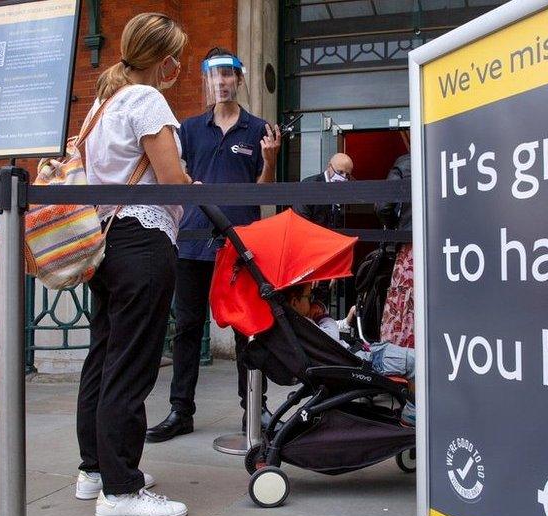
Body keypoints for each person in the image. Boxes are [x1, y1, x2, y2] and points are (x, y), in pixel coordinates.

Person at [74, 12, 190, 516]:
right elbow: (169, 179)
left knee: (103, 357)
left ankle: (96, 471)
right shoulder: (146, 99)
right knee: (132, 364)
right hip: (143, 240)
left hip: (105, 243)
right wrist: (193, 186)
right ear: (163, 60)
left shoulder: (101, 105)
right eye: (177, 57)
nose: (180, 66)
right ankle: (121, 494)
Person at [146, 47, 281, 442]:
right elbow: (172, 176)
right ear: (207, 81)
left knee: (247, 328)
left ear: (239, 80)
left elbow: (266, 192)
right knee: (187, 328)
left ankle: (253, 409)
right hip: (192, 243)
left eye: (227, 75)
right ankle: (180, 411)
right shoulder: (188, 130)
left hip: (240, 244)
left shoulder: (258, 130)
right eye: (213, 76)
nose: (220, 82)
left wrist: (269, 160)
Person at [284, 284, 416, 425]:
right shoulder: (304, 327)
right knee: (417, 361)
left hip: (357, 356)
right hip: (362, 362)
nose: (312, 302)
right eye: (309, 297)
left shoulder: (295, 326)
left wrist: (346, 320)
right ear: (294, 302)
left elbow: (328, 331)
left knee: (403, 354)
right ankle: (412, 414)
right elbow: (330, 339)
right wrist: (323, 315)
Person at [376, 149, 414, 349]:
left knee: (404, 301)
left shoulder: (404, 162)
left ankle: (401, 356)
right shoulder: (444, 157)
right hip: (443, 247)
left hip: (409, 246)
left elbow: (384, 206)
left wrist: (394, 227)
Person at [293, 152, 354, 229]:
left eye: (347, 174)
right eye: (340, 172)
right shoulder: (310, 185)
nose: (343, 177)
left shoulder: (346, 188)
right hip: (313, 236)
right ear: (329, 166)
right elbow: (300, 217)